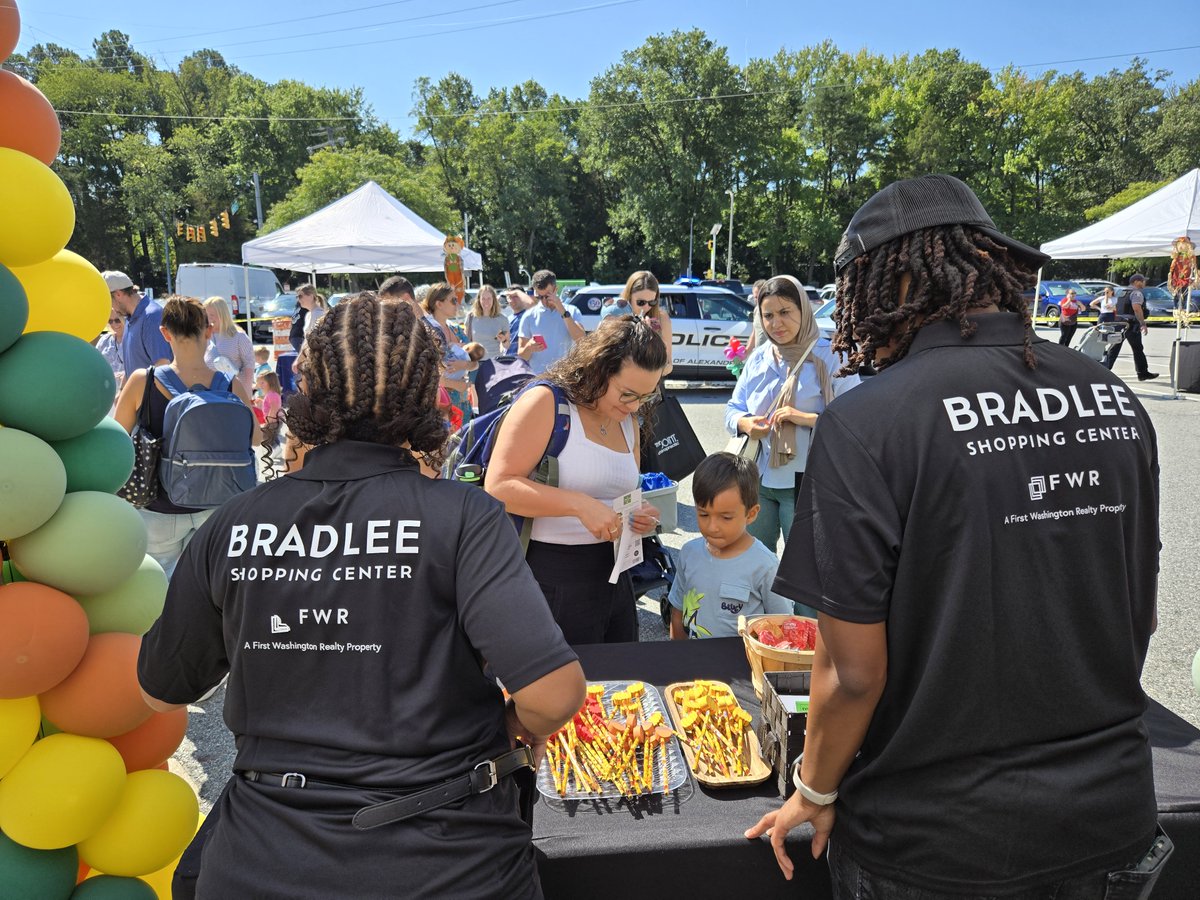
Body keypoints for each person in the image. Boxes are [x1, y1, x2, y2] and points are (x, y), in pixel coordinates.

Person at [747, 174, 1168, 897]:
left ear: (894, 279)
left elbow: (851, 672)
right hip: (1108, 816)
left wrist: (812, 792)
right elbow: (1139, 607)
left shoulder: (871, 421)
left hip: (934, 838)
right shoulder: (1113, 397)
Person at [136, 294, 585, 900]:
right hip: (448, 858)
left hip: (264, 856)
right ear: (428, 393)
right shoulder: (462, 517)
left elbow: (160, 686)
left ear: (307, 384)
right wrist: (508, 724)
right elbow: (553, 694)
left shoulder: (233, 523)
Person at [486, 317, 666, 645]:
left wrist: (638, 514)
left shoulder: (628, 419)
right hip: (552, 574)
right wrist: (578, 505)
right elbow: (499, 486)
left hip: (616, 574)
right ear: (598, 369)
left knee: (621, 683)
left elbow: (624, 492)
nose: (635, 406)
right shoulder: (547, 402)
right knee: (561, 692)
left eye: (645, 396)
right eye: (627, 394)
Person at [113, 296, 261, 579]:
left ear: (165, 333)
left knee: (158, 589)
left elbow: (116, 441)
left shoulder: (143, 381)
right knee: (209, 587)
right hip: (218, 504)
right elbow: (255, 438)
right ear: (209, 331)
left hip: (159, 506)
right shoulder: (229, 384)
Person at [725, 275, 859, 557]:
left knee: (807, 573)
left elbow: (856, 421)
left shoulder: (834, 355)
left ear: (804, 310)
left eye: (785, 312)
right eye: (768, 315)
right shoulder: (759, 358)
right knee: (754, 565)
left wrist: (807, 418)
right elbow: (732, 409)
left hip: (809, 483)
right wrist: (745, 423)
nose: (776, 323)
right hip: (758, 481)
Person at [667, 452, 790, 640]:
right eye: (703, 514)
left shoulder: (765, 566)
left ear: (751, 514)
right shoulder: (689, 553)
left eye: (725, 517)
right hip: (695, 665)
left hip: (743, 667)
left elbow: (783, 628)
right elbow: (677, 613)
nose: (712, 527)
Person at [421, 282, 476, 428]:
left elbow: (475, 361)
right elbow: (426, 373)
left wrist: (464, 365)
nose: (457, 304)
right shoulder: (426, 332)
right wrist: (457, 385)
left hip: (462, 401)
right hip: (440, 403)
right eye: (453, 300)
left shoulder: (457, 330)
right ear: (438, 304)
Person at [517, 270, 586, 374]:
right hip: (539, 378)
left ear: (556, 289)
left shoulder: (572, 311)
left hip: (566, 377)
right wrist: (529, 348)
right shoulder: (528, 316)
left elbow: (581, 339)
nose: (544, 301)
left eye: (548, 296)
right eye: (540, 297)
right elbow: (521, 356)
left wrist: (561, 310)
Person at [106, 270, 172, 377]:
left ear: (118, 294)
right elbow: (132, 368)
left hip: (153, 394)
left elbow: (163, 366)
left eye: (109, 301)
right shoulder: (129, 317)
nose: (111, 307)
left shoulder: (152, 317)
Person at [1103, 274, 1159, 380]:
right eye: (1143, 281)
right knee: (1137, 348)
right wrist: (1142, 323)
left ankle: (1104, 371)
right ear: (1136, 282)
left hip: (1120, 323)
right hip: (1130, 324)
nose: (1144, 283)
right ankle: (1142, 373)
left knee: (1114, 348)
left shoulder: (1123, 292)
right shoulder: (1136, 293)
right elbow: (1137, 308)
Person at [204, 296, 256, 392]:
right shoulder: (203, 337)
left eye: (212, 315)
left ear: (222, 315)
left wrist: (246, 391)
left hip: (233, 391)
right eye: (206, 315)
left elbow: (249, 364)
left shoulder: (239, 336)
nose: (209, 318)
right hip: (210, 392)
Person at [465, 284, 509, 359]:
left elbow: (507, 346)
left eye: (489, 298)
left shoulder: (502, 319)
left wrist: (504, 340)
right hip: (475, 363)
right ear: (479, 300)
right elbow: (466, 342)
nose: (486, 302)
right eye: (483, 298)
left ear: (494, 300)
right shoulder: (471, 317)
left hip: (495, 363)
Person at [288, 285, 327, 352]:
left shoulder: (318, 314)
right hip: (309, 354)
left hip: (316, 355)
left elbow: (317, 341)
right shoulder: (309, 315)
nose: (298, 300)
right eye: (297, 297)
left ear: (311, 296)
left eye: (300, 296)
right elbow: (306, 341)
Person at [96, 306, 125, 387]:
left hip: (128, 390)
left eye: (117, 320)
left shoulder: (134, 340)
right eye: (110, 321)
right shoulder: (104, 340)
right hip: (107, 389)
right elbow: (95, 363)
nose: (114, 324)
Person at [743, 278, 769, 356]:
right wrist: (746, 352)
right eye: (755, 297)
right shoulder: (756, 310)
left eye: (760, 296)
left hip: (771, 355)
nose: (758, 300)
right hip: (759, 353)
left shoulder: (775, 311)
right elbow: (754, 333)